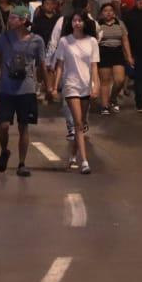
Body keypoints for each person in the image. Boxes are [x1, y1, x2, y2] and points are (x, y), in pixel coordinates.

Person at [0, 5, 45, 176]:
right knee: (4, 125)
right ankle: (4, 150)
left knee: (24, 127)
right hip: (6, 88)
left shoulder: (37, 40)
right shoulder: (3, 38)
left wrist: (46, 87)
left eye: (14, 17)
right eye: (10, 17)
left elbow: (41, 65)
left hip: (26, 89)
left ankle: (22, 163)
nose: (10, 20)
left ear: (24, 20)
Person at [54, 13, 101, 174]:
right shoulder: (65, 41)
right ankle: (85, 161)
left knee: (81, 123)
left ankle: (73, 155)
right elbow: (59, 65)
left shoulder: (92, 41)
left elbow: (94, 66)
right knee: (78, 124)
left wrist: (96, 86)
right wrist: (55, 86)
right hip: (71, 85)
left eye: (80, 20)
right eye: (74, 20)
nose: (77, 23)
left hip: (85, 86)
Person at [93, 2, 132, 115]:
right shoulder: (97, 25)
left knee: (119, 80)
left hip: (117, 52)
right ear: (101, 13)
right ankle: (104, 106)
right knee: (105, 81)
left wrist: (129, 56)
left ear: (114, 13)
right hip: (103, 52)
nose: (108, 13)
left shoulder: (120, 24)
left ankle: (113, 98)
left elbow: (125, 40)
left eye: (110, 10)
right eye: (105, 11)